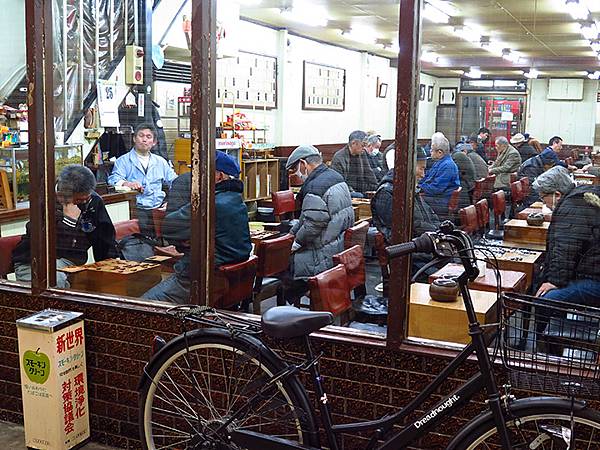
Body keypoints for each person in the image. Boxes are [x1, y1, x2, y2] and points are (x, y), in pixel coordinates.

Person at [142, 151, 252, 304]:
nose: (196, 175)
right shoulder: (235, 199)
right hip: (227, 276)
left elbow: (169, 227)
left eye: (202, 170)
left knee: (143, 304)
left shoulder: (209, 204)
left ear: (219, 176)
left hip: (202, 278)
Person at [12, 165, 118, 288]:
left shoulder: (92, 200)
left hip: (71, 261)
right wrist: (69, 221)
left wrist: (111, 263)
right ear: (61, 194)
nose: (84, 203)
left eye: (87, 198)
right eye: (79, 200)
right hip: (34, 262)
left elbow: (104, 236)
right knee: (56, 281)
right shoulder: (44, 200)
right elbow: (50, 246)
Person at [532, 166, 600, 332]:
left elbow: (565, 249)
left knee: (543, 299)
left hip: (595, 279)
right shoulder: (581, 197)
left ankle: (544, 348)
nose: (543, 203)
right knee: (542, 284)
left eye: (543, 198)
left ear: (556, 194)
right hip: (592, 270)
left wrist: (554, 281)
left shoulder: (571, 207)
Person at [284, 145, 354, 300]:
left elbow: (312, 226)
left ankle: (288, 315)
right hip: (337, 248)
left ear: (303, 164)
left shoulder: (315, 187)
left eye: (294, 169)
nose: (296, 175)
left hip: (320, 255)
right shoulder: (336, 177)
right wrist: (291, 235)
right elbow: (307, 218)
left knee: (281, 266)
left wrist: (295, 244)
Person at [371, 147, 440, 279]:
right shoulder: (387, 193)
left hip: (424, 248)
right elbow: (406, 230)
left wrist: (440, 231)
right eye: (421, 168)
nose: (423, 175)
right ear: (409, 167)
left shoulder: (409, 188)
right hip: (408, 258)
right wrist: (435, 233)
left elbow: (431, 215)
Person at [108, 123, 178, 237]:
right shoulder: (123, 161)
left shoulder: (161, 162)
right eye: (141, 136)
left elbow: (175, 182)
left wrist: (171, 204)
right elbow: (113, 179)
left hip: (158, 207)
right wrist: (127, 183)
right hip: (137, 209)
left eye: (148, 137)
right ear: (134, 138)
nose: (144, 139)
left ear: (154, 142)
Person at [417, 132, 460, 220]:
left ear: (440, 152)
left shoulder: (447, 165)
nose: (430, 151)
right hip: (439, 198)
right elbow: (427, 177)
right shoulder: (441, 162)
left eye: (432, 150)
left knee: (416, 202)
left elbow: (436, 189)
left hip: (442, 201)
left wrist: (419, 187)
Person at [331, 130, 378, 197]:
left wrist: (376, 187)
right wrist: (352, 191)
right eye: (363, 145)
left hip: (361, 188)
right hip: (347, 191)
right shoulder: (339, 157)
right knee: (359, 196)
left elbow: (368, 173)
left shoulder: (362, 154)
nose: (364, 148)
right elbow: (339, 182)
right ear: (353, 143)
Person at [452, 143, 477, 208]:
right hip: (472, 186)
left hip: (468, 186)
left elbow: (455, 173)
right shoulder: (470, 155)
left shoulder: (458, 156)